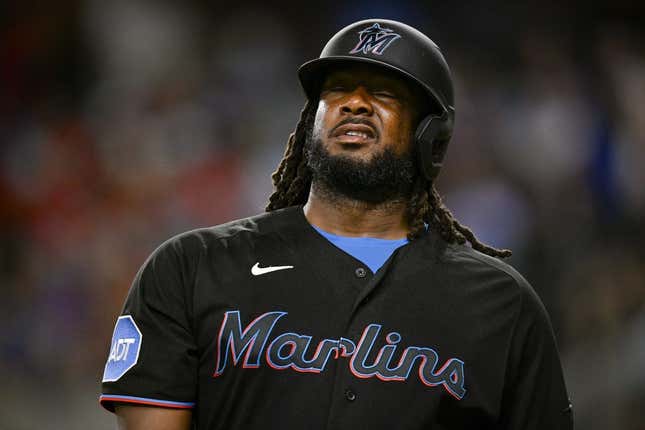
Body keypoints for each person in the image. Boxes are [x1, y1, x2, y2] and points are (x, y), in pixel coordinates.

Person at [100, 19, 573, 430]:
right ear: (310, 121)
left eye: (385, 93)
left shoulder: (501, 306)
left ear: (432, 137)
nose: (356, 103)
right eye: (339, 88)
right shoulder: (193, 269)